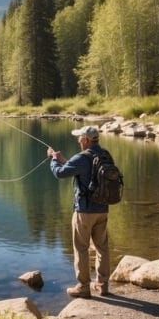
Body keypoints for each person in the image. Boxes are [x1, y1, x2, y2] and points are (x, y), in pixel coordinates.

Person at [47, 125, 110, 298]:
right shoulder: (105, 154)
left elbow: (60, 174)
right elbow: (82, 172)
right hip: (103, 209)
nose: (78, 141)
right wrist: (63, 160)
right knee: (102, 247)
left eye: (79, 138)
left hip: (84, 211)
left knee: (81, 248)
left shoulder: (82, 157)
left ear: (86, 140)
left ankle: (83, 287)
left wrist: (53, 159)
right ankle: (103, 285)